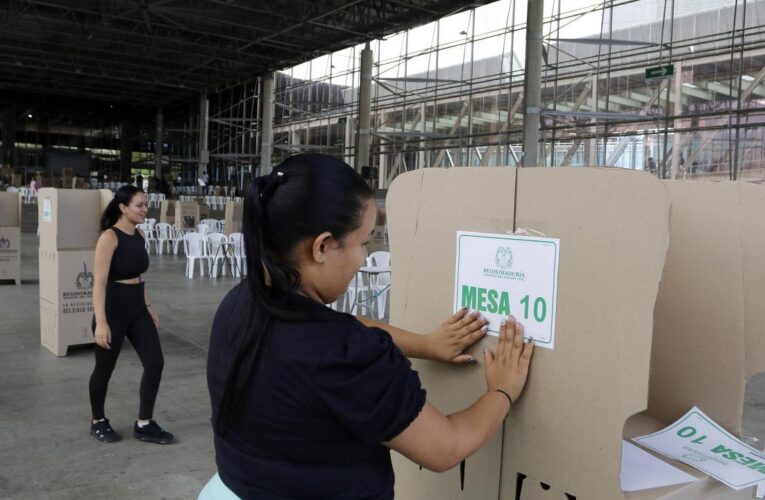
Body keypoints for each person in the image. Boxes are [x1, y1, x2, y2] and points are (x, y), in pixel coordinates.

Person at [200, 154, 534, 499]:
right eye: (363, 242)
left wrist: (426, 344)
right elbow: (445, 446)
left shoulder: (240, 304)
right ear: (323, 246)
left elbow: (343, 326)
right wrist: (501, 391)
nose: (364, 258)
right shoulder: (346, 358)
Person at [89, 185, 174, 444]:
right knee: (105, 369)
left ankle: (144, 423)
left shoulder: (139, 235)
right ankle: (98, 420)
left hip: (137, 308)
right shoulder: (109, 238)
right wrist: (101, 323)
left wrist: (148, 307)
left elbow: (137, 276)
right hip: (113, 309)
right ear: (123, 207)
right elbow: (99, 283)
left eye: (146, 204)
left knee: (155, 362)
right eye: (139, 205)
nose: (145, 209)